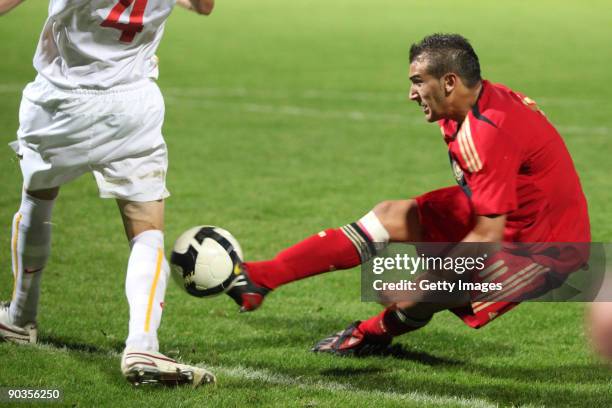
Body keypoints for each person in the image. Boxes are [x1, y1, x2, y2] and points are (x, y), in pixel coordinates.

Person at [225, 33, 591, 355]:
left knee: (420, 295)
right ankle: (262, 277)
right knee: (388, 216)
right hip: (510, 208)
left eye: (418, 82)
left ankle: (371, 334)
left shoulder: (486, 132)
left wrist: (419, 281)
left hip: (542, 245)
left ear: (449, 81)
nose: (411, 93)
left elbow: (487, 238)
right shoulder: (470, 104)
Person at [0, 0, 217, 386]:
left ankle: (19, 316)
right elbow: (204, 6)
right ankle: (142, 343)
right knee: (146, 229)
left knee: (38, 201)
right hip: (132, 105)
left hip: (58, 101)